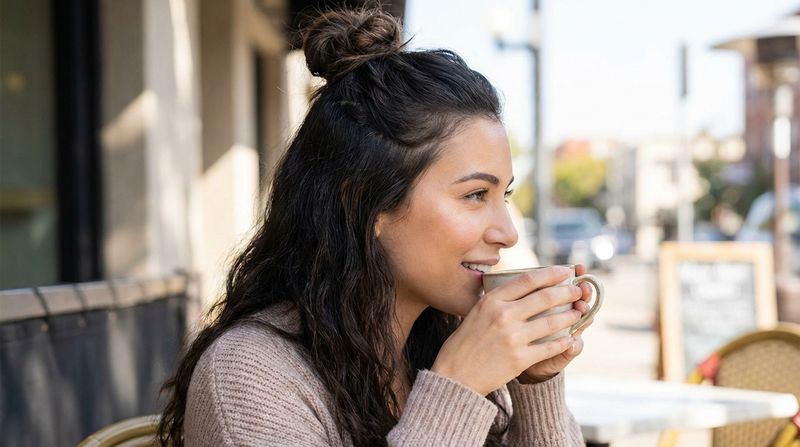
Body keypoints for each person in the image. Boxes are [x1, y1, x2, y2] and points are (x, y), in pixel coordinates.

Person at [158, 6, 592, 446]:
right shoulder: (250, 376)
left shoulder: (443, 346)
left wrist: (535, 382)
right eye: (476, 195)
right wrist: (455, 391)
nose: (508, 232)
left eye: (506, 196)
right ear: (365, 202)